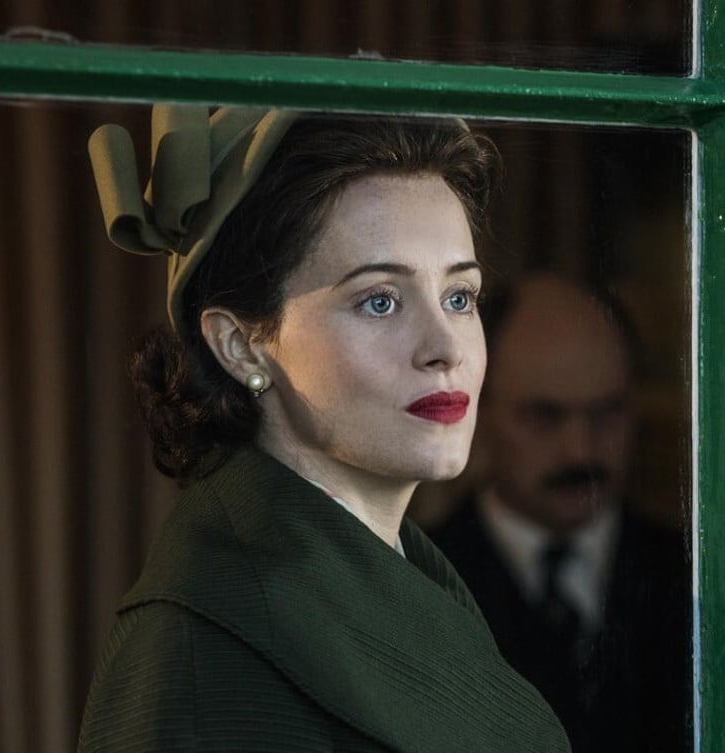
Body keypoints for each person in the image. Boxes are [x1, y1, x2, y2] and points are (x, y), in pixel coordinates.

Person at [78, 106, 570, 753]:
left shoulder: (406, 576)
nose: (445, 348)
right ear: (240, 346)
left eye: (459, 297)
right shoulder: (197, 656)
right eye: (379, 301)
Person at [429, 274, 692, 753]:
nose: (580, 450)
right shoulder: (421, 580)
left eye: (606, 413)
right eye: (544, 416)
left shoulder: (692, 580)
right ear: (478, 411)